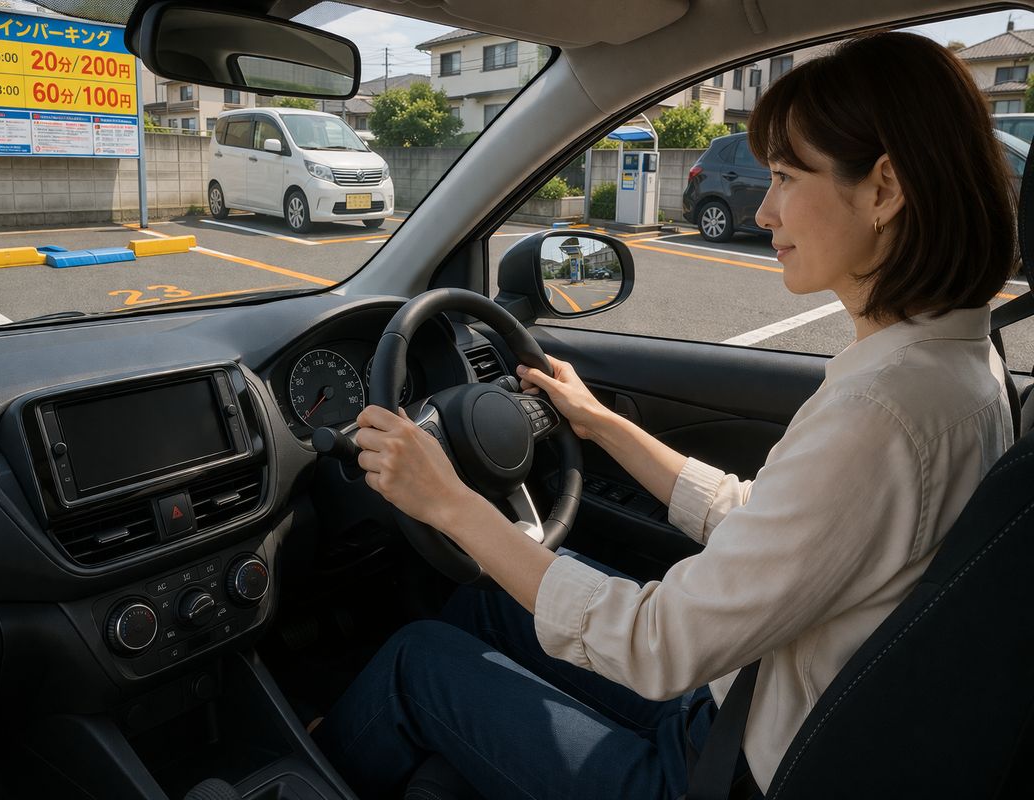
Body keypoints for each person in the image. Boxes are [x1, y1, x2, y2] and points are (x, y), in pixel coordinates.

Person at [311, 31, 1016, 799]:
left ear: (883, 190)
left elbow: (657, 644)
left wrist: (447, 503)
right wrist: (604, 424)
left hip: (717, 770)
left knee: (416, 662)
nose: (767, 206)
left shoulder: (881, 413)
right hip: (752, 705)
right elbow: (772, 523)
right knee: (487, 588)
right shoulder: (953, 366)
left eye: (785, 176)